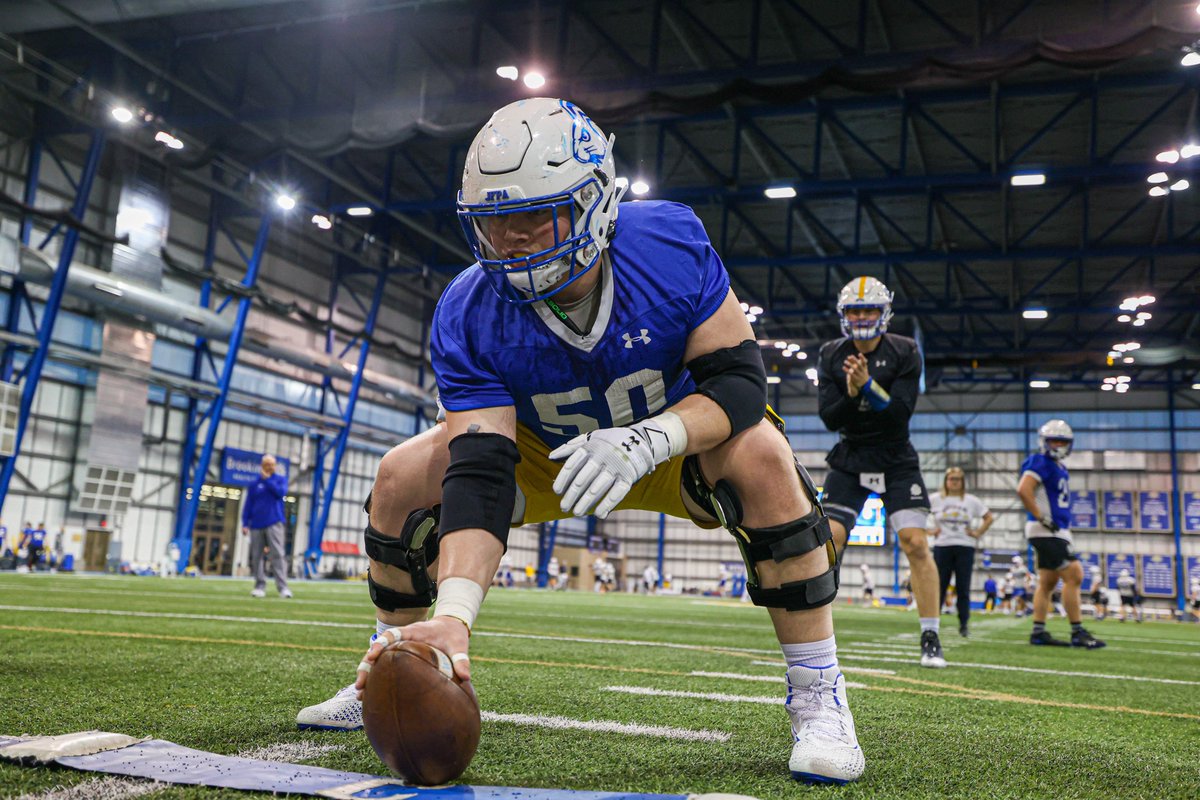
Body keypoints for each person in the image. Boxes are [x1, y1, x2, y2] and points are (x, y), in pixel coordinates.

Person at [295, 98, 864, 784]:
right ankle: (398, 664)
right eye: (493, 220)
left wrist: (652, 438)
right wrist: (454, 617)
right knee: (401, 475)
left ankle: (818, 695)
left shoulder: (669, 245)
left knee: (764, 456)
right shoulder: (469, 307)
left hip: (673, 440)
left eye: (534, 214)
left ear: (597, 202)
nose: (510, 239)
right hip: (544, 455)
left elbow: (741, 384)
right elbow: (479, 469)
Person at [817, 276, 944, 668]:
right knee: (827, 542)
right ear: (844, 314)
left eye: (868, 309)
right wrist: (853, 394)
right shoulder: (831, 354)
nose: (861, 316)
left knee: (915, 543)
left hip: (895, 457)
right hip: (851, 457)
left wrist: (867, 386)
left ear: (884, 312)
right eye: (855, 310)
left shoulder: (905, 351)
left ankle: (931, 635)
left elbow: (899, 416)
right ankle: (815, 636)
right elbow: (828, 418)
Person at [1016, 420, 1104, 648]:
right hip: (1046, 530)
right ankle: (1077, 631)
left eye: (1062, 441)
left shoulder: (1059, 467)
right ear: (1044, 442)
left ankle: (1038, 631)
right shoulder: (1040, 461)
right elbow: (1024, 489)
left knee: (1047, 581)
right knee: (1074, 574)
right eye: (1054, 440)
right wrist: (1041, 517)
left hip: (1056, 530)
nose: (1058, 445)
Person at [928, 467, 993, 637]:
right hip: (943, 546)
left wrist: (977, 533)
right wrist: (928, 530)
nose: (954, 482)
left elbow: (988, 517)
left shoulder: (971, 501)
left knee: (963, 588)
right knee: (939, 586)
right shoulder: (935, 499)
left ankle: (964, 624)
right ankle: (933, 624)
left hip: (965, 546)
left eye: (957, 479)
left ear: (962, 482)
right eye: (951, 478)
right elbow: (918, 513)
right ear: (945, 481)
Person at [241, 454, 292, 599]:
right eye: (267, 464)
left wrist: (268, 480)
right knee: (257, 556)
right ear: (262, 465)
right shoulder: (254, 484)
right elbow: (248, 505)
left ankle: (283, 588)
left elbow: (280, 493)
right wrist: (245, 523)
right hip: (256, 524)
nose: (270, 466)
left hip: (274, 523)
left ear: (275, 466)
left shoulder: (280, 480)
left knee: (277, 555)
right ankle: (259, 586)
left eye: (272, 464)